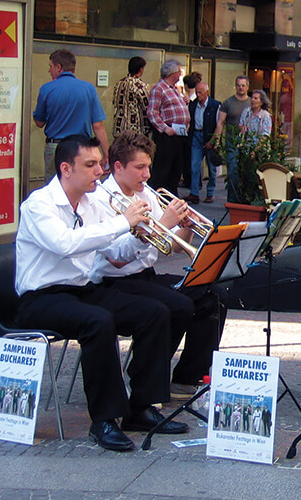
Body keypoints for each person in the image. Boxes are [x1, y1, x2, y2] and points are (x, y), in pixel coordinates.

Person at [15, 135, 188, 452]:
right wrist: (124, 221)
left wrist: (138, 233)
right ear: (66, 168)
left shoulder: (92, 203)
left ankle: (142, 407)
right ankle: (104, 420)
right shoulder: (39, 205)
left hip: (82, 289)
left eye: (100, 164)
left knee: (155, 312)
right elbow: (66, 244)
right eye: (90, 164)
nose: (99, 171)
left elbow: (115, 250)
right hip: (40, 298)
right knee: (98, 321)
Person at [90, 131, 227, 399]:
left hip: (145, 277)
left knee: (213, 294)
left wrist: (184, 226)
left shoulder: (148, 194)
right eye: (140, 167)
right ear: (118, 167)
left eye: (149, 167)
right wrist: (164, 223)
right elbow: (116, 259)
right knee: (177, 305)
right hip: (112, 284)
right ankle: (147, 379)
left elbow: (174, 246)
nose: (147, 175)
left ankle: (187, 377)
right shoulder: (100, 201)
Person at [33, 49, 108, 182]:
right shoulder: (89, 89)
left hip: (55, 147)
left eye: (50, 66)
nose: (49, 71)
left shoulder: (46, 89)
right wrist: (106, 154)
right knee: (83, 184)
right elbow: (98, 125)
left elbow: (39, 122)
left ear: (59, 67)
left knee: (54, 187)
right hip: (82, 148)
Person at [147, 59, 190, 196]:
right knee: (163, 169)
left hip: (179, 134)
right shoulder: (159, 88)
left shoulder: (174, 89)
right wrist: (165, 128)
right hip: (167, 134)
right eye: (179, 72)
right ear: (172, 73)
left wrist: (184, 103)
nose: (180, 75)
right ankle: (159, 197)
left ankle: (171, 196)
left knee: (176, 169)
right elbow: (152, 112)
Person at [185, 82, 221, 204]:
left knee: (212, 168)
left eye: (200, 92)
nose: (198, 95)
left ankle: (210, 193)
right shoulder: (194, 104)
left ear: (207, 93)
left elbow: (219, 124)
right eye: (196, 92)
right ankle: (194, 193)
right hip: (197, 135)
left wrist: (214, 141)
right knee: (195, 166)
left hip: (209, 135)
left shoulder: (215, 105)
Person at [217, 75, 251, 203]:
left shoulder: (251, 103)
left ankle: (244, 201)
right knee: (232, 173)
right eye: (238, 85)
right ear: (235, 86)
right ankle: (232, 201)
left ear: (247, 86)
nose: (240, 88)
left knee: (247, 174)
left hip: (248, 144)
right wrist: (217, 140)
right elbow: (220, 122)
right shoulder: (228, 103)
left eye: (243, 85)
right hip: (232, 143)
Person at [112, 56, 151, 137]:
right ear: (141, 69)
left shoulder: (119, 83)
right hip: (135, 130)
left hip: (119, 127)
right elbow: (147, 106)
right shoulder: (139, 85)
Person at [179, 72, 202, 190]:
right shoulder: (193, 99)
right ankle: (195, 181)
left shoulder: (190, 100)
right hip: (192, 131)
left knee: (190, 158)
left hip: (189, 131)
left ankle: (191, 181)